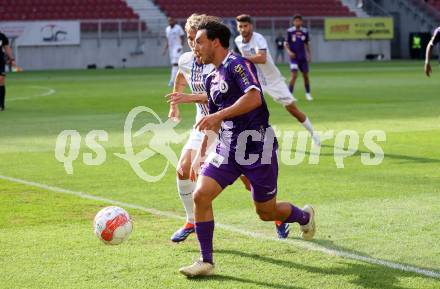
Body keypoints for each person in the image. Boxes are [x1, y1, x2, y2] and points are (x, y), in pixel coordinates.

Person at [179, 18, 316, 277]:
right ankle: (206, 261)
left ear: (215, 42)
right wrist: (200, 154)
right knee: (200, 195)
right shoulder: (211, 77)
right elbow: (214, 121)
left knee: (266, 212)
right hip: (228, 148)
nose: (194, 47)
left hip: (257, 148)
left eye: (199, 42)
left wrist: (219, 116)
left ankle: (304, 217)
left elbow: (254, 97)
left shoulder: (238, 65)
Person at [166, 14, 251, 243]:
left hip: (225, 125)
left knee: (247, 179)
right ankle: (191, 220)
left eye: (197, 39)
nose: (193, 44)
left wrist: (188, 98)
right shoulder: (186, 59)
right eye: (190, 39)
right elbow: (180, 80)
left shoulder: (217, 61)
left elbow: (218, 96)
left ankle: (275, 215)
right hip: (202, 125)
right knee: (183, 170)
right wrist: (175, 106)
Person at [234, 14, 319, 146]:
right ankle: (250, 141)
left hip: (273, 80)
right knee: (246, 109)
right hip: (255, 81)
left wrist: (242, 59)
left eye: (246, 26)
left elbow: (262, 58)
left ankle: (314, 134)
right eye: (240, 26)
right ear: (237, 27)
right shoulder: (238, 40)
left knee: (292, 109)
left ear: (251, 26)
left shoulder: (258, 38)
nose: (243, 29)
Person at [285, 15, 313, 101]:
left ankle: (308, 94)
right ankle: (289, 95)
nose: (297, 22)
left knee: (305, 76)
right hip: (294, 58)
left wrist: (309, 54)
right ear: (293, 22)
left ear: (301, 22)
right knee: (294, 76)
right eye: (296, 21)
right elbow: (286, 44)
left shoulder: (305, 31)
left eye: (299, 21)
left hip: (302, 58)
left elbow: (307, 44)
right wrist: (289, 52)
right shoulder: (289, 31)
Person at [163, 17, 185, 87]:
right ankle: (181, 80)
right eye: (169, 21)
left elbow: (182, 37)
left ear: (174, 21)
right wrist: (165, 49)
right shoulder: (167, 29)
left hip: (177, 48)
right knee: (178, 65)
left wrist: (181, 46)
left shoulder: (178, 28)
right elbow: (168, 40)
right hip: (171, 49)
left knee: (175, 64)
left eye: (171, 20)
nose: (170, 22)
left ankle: (172, 81)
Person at [0, 31, 16, 111]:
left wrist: (12, 59)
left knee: (1, 81)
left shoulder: (2, 36)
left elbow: (7, 48)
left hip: (0, 62)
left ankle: (1, 104)